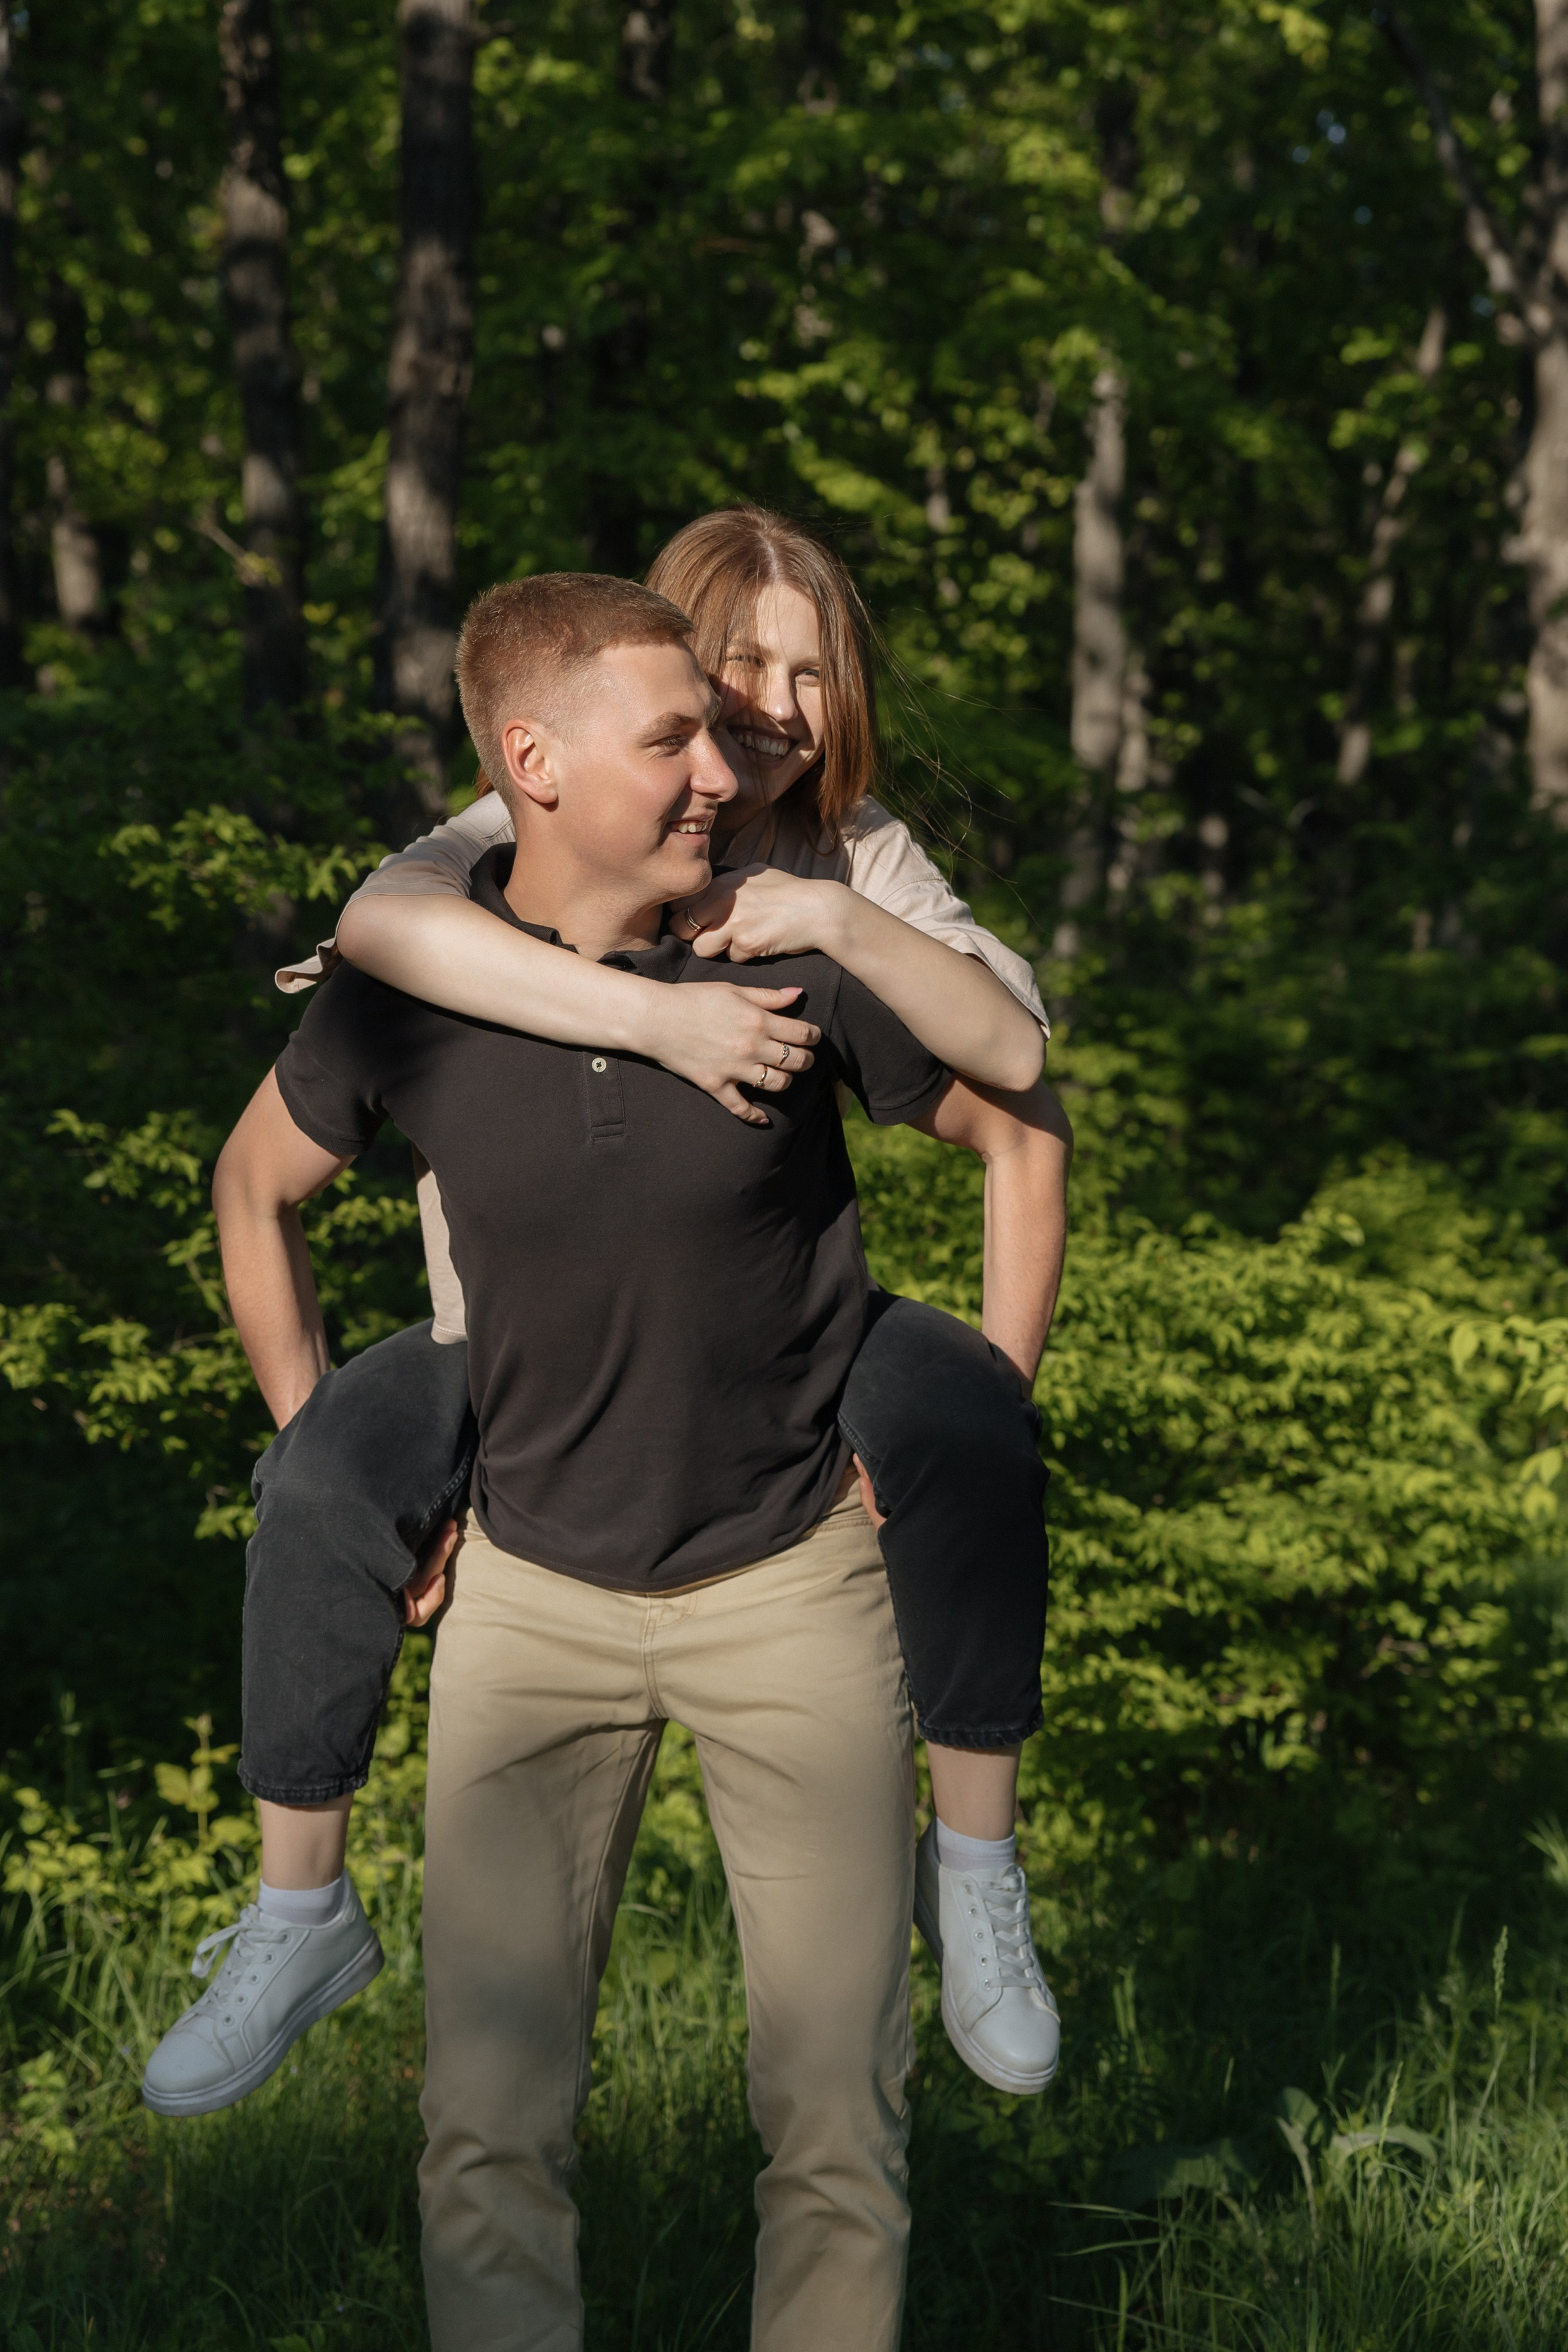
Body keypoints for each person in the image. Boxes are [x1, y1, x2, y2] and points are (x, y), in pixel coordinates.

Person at [151, 574, 1066, 2347]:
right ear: (532, 765)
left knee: (835, 2130)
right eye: (674, 740)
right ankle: (295, 1908)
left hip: (793, 1587)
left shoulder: (794, 949)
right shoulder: (415, 983)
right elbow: (252, 1189)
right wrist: (341, 1467)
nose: (721, 769)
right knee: (487, 2134)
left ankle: (984, 1876)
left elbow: (1018, 1108)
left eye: (721, 739)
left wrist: (974, 1404)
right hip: (525, 1608)